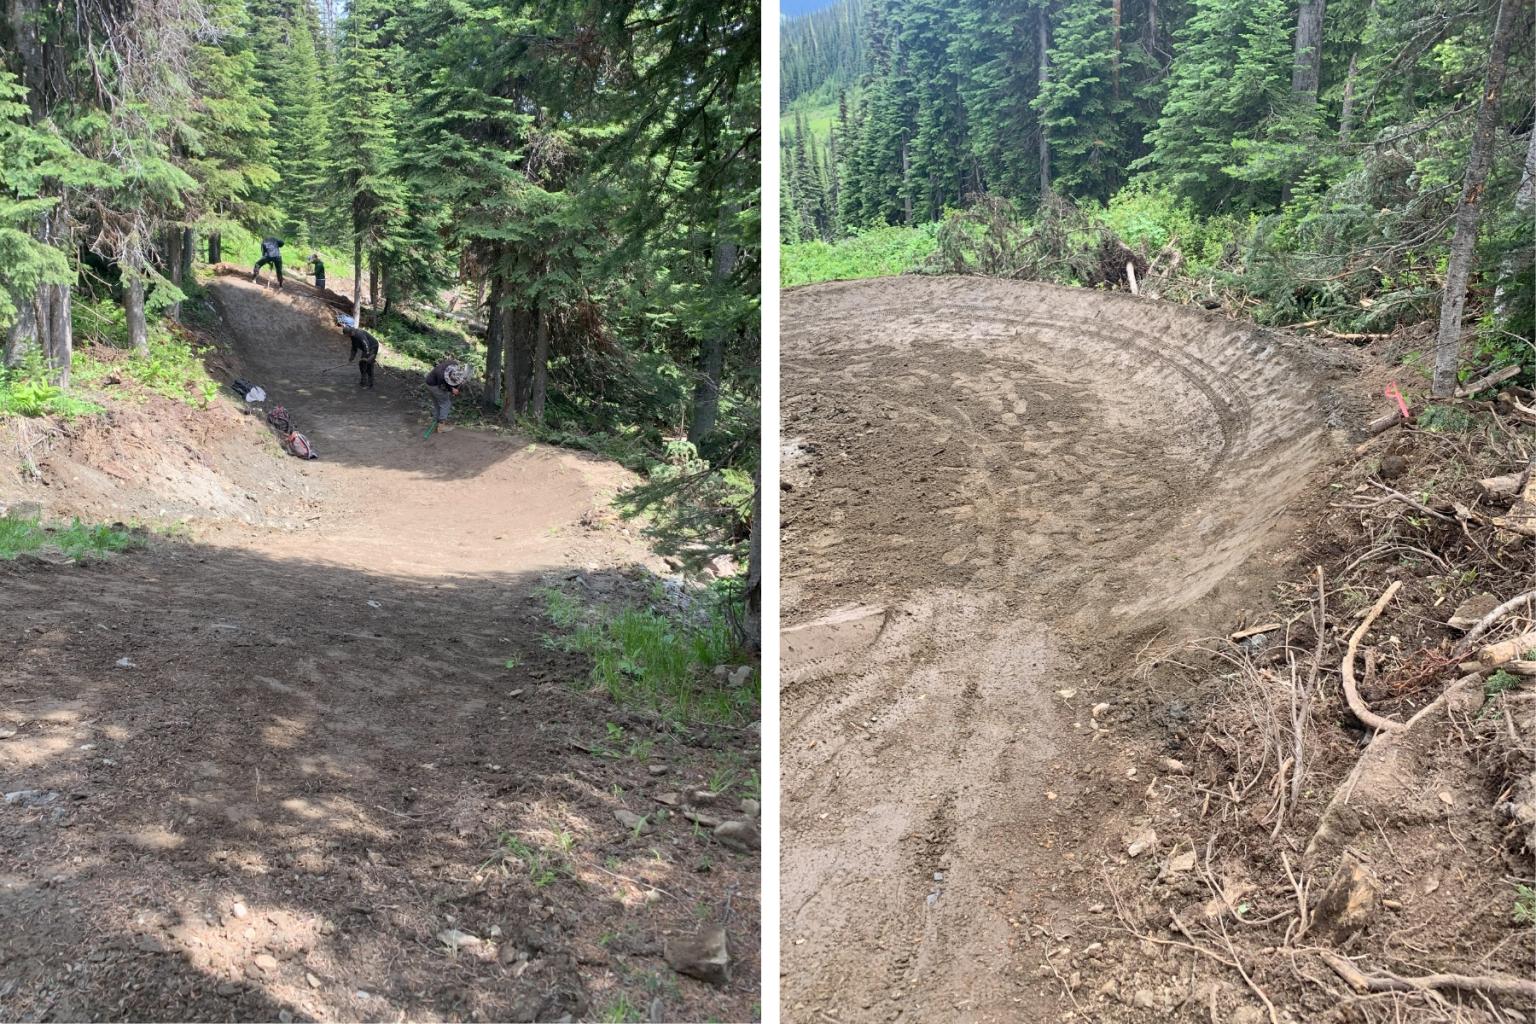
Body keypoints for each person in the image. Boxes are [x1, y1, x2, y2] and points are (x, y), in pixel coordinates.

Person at [424, 357, 469, 427]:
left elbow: (453, 379)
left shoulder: (454, 365)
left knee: (438, 404)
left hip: (429, 381)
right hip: (434, 386)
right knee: (445, 403)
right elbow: (443, 386)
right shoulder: (441, 376)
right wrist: (452, 390)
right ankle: (441, 424)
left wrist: (460, 383)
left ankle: (436, 422)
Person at [342, 324, 380, 389]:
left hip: (373, 347)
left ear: (350, 332)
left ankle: (370, 384)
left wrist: (366, 357)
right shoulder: (352, 336)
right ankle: (363, 380)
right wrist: (351, 358)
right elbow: (354, 347)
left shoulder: (359, 334)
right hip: (366, 348)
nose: (346, 336)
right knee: (361, 364)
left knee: (368, 364)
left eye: (346, 335)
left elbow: (366, 345)